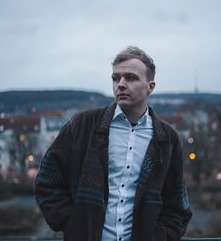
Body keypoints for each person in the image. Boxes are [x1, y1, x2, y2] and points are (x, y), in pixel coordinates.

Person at [35, 46, 192, 241]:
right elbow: (47, 179)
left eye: (131, 78)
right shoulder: (83, 125)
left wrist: (161, 236)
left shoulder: (167, 138)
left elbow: (177, 203)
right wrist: (73, 223)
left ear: (150, 86)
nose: (121, 84)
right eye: (116, 78)